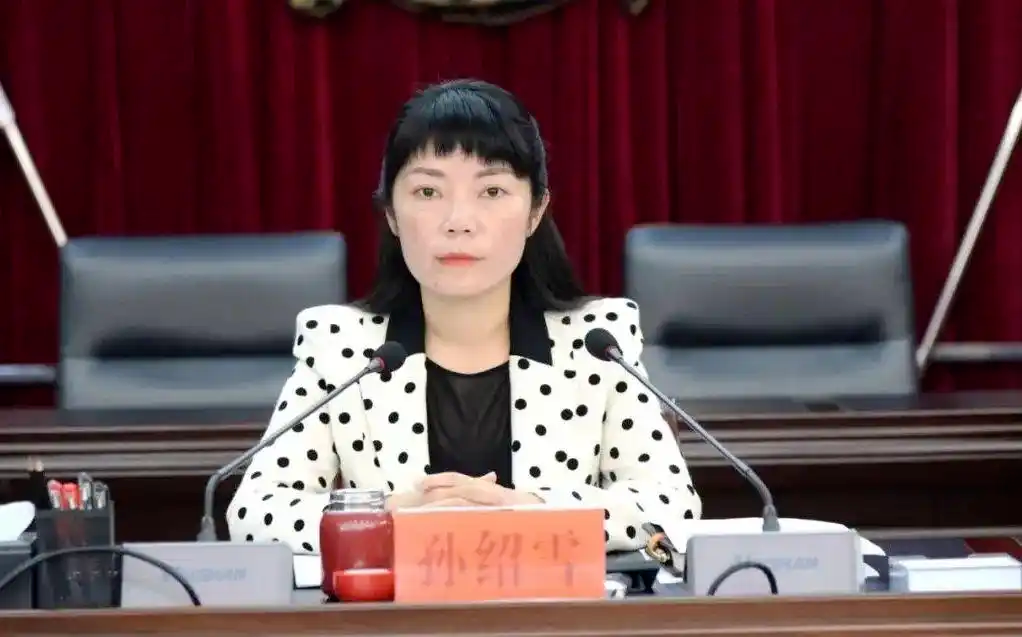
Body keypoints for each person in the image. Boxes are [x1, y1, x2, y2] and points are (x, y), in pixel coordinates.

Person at [226, 79, 701, 554]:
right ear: (391, 214)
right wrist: (390, 516)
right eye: (428, 192)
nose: (458, 221)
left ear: (536, 211)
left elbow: (672, 506)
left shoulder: (596, 343)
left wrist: (529, 510)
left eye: (491, 190)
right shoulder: (343, 348)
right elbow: (254, 512)